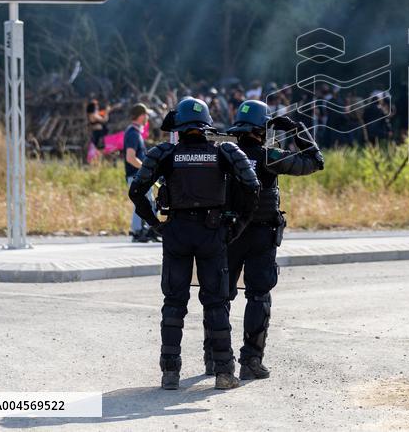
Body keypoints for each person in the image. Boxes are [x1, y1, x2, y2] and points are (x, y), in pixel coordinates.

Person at [128, 97, 260, 391]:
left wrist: (156, 224)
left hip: (176, 231)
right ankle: (224, 372)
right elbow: (253, 187)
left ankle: (170, 373)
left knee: (174, 303)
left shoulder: (164, 153)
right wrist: (237, 226)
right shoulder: (224, 151)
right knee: (216, 302)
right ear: (207, 125)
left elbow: (137, 190)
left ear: (179, 126)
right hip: (212, 233)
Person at [218, 101, 324, 380]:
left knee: (219, 298)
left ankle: (216, 359)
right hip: (261, 236)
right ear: (262, 129)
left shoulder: (223, 153)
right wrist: (298, 130)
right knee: (258, 297)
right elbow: (315, 162)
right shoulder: (269, 156)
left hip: (229, 234)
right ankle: (251, 361)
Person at [125, 103, 158, 243]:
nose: (148, 118)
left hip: (139, 176)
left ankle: (146, 230)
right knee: (141, 202)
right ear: (141, 116)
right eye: (147, 115)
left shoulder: (136, 132)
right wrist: (146, 170)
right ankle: (137, 231)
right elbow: (130, 157)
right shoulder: (132, 133)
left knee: (148, 202)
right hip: (136, 175)